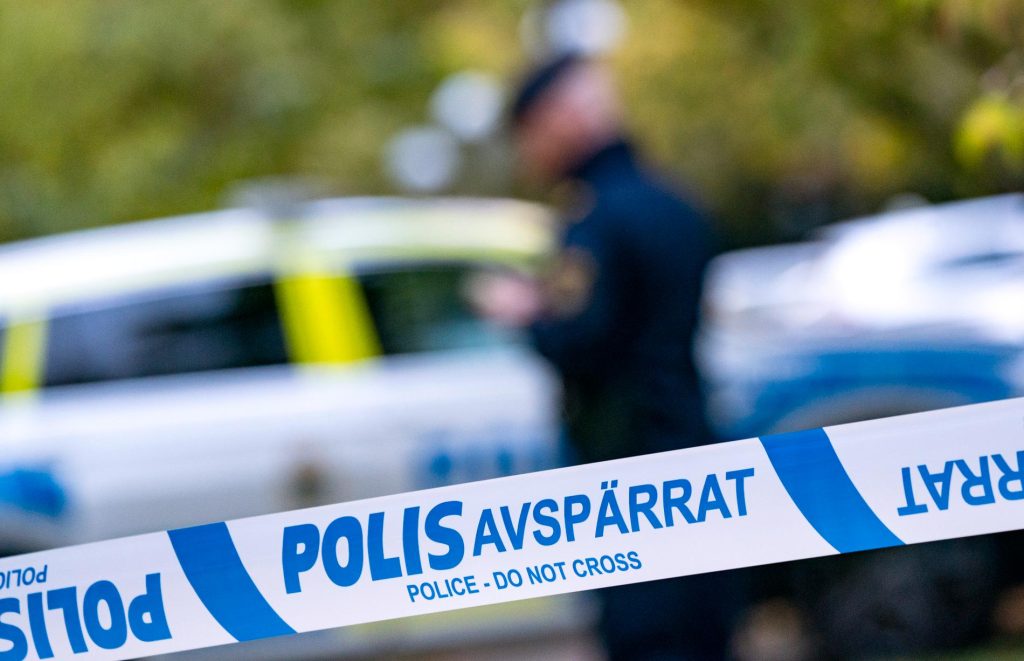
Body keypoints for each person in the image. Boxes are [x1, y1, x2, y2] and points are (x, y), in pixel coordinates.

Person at [473, 54, 741, 660]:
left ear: (558, 120)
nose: (530, 153)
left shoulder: (594, 220)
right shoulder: (674, 201)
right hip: (697, 453)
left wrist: (528, 314)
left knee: (648, 637)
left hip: (629, 475)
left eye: (531, 134)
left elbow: (582, 343)